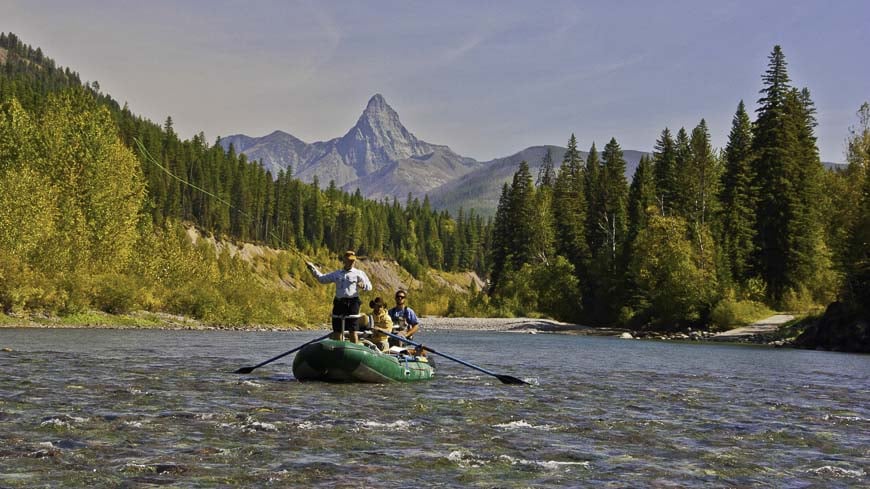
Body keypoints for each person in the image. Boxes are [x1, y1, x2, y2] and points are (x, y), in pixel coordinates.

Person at [306, 250, 372, 343]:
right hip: (339, 302)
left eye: (353, 261)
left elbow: (369, 287)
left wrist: (363, 285)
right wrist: (312, 268)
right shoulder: (337, 274)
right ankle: (339, 349)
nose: (351, 262)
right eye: (349, 260)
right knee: (337, 330)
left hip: (353, 303)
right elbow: (322, 279)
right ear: (344, 260)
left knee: (353, 330)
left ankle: (354, 348)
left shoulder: (359, 273)